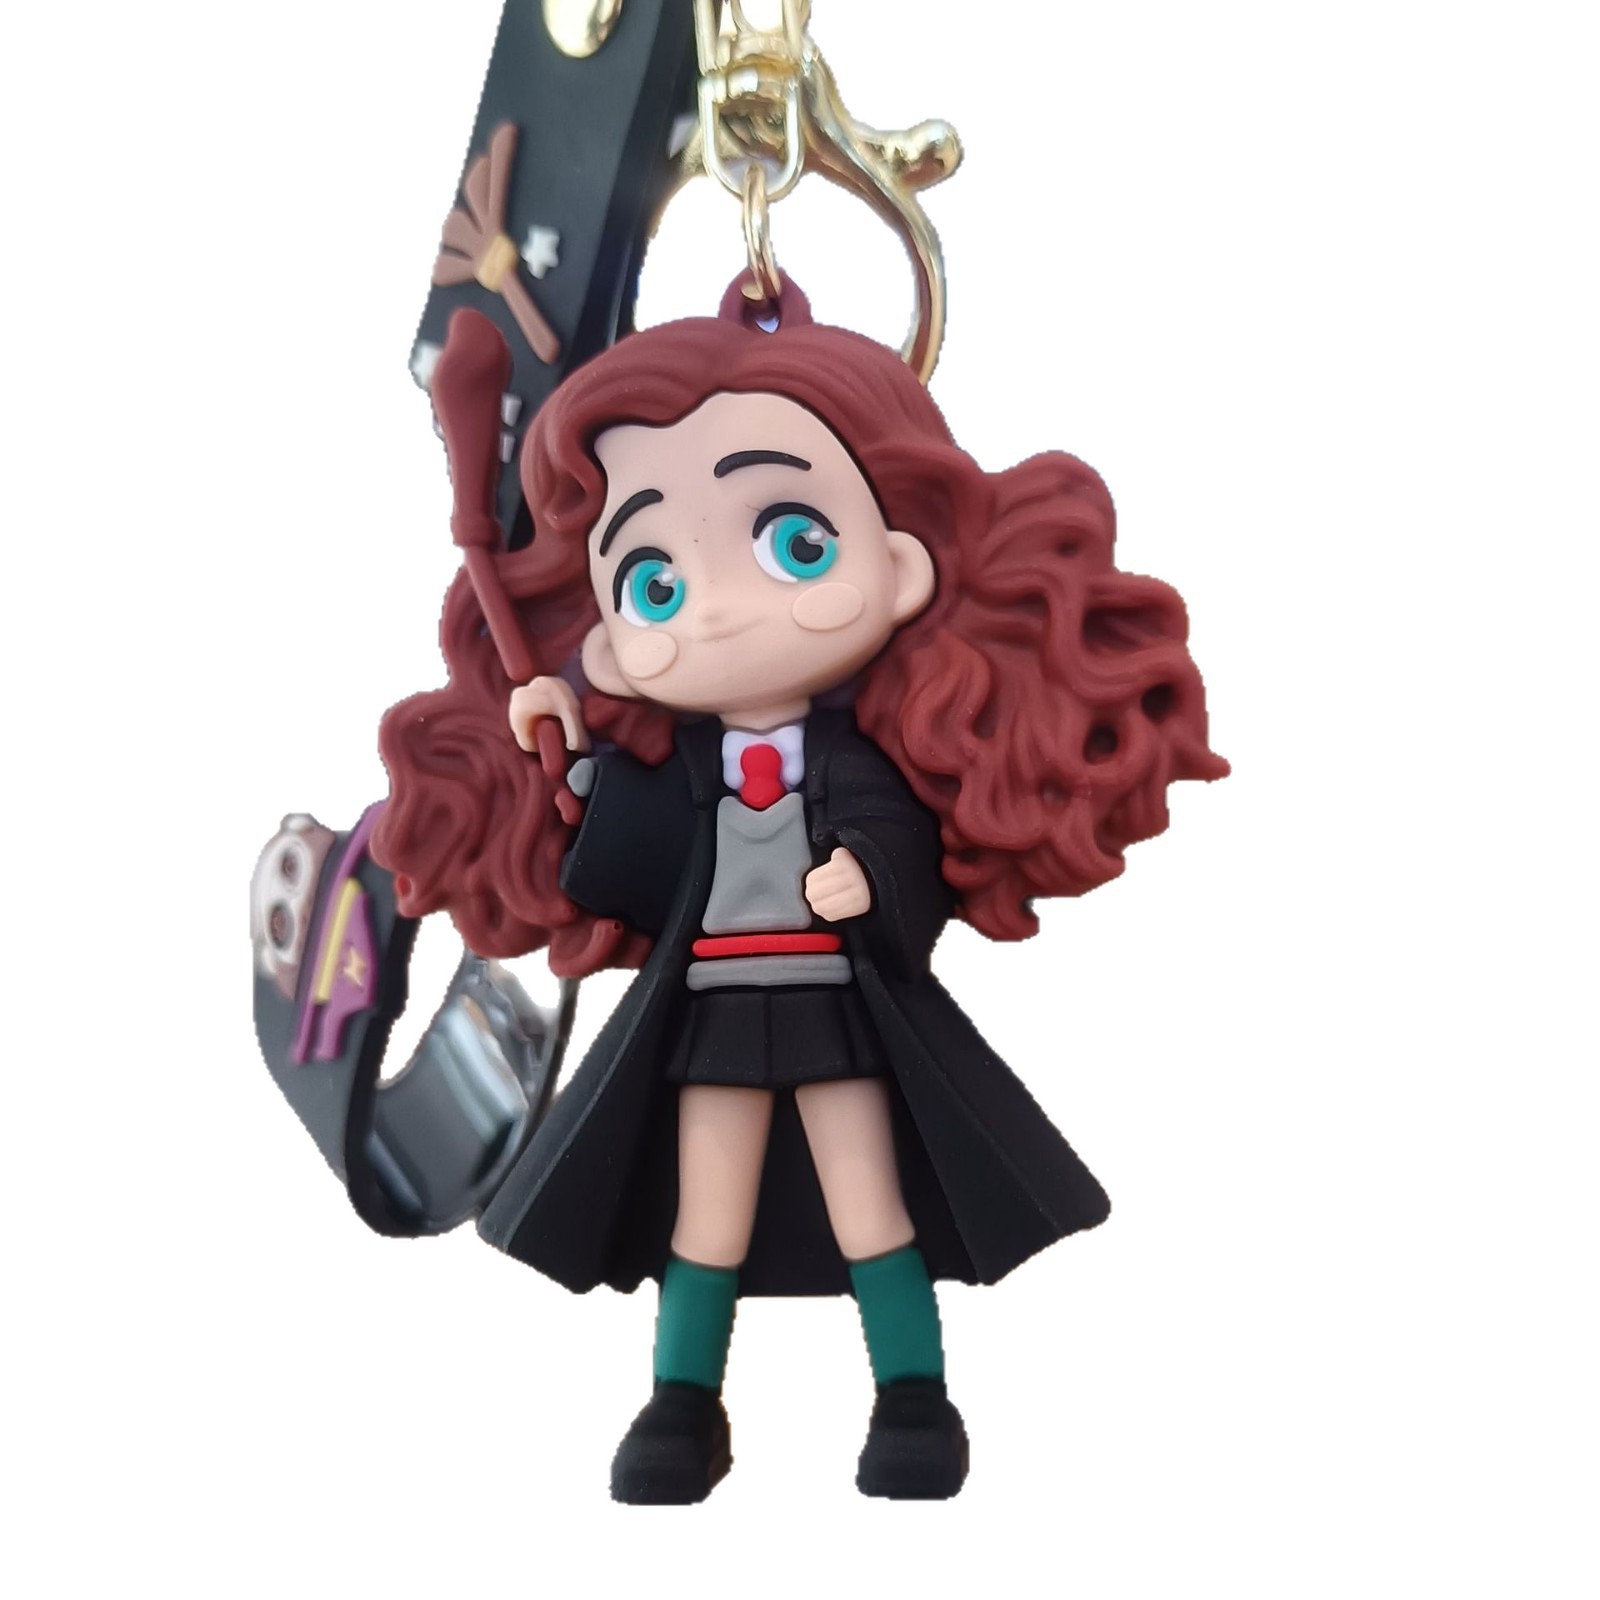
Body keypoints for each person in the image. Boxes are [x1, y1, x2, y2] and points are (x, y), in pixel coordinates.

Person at [375, 282, 1226, 1501]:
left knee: (871, 1203)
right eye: (657, 582)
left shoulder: (861, 760)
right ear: (611, 640)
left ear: (900, 565)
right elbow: (609, 861)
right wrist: (557, 752)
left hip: (837, 1005)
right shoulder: (676, 773)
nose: (721, 608)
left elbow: (908, 845)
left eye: (795, 541)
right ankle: (681, 1402)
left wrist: (867, 875)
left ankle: (912, 1394)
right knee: (705, 1217)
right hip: (710, 1013)